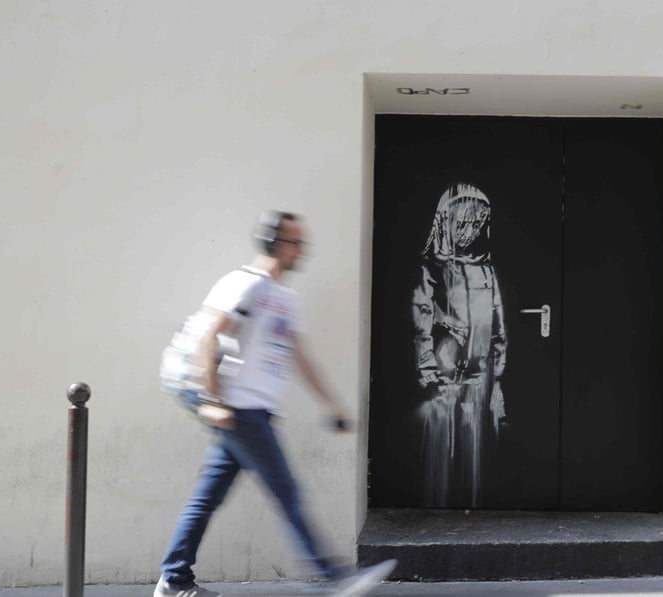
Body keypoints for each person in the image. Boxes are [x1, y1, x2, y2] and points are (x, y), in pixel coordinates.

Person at [155, 211, 394, 597]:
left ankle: (174, 579)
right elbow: (210, 338)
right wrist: (213, 400)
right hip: (238, 409)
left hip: (253, 411)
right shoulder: (244, 285)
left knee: (206, 498)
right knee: (286, 491)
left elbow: (301, 357)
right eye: (294, 242)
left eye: (302, 242)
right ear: (272, 242)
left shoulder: (284, 298)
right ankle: (333, 578)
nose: (302, 250)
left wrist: (332, 403)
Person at [412, 183, 507, 508]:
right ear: (444, 221)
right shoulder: (432, 269)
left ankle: (478, 500)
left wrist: (497, 377)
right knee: (443, 449)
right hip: (444, 380)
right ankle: (439, 504)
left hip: (481, 378)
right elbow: (421, 323)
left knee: (479, 450)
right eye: (461, 223)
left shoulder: (486, 269)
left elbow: (498, 326)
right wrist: (428, 373)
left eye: (476, 224)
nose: (469, 231)